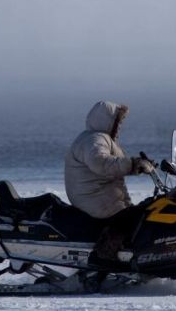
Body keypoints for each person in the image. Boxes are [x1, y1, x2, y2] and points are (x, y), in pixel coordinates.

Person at [64, 100, 154, 261]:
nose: (119, 126)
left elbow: (111, 163)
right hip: (95, 198)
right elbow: (101, 163)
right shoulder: (95, 140)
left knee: (137, 214)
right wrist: (133, 164)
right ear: (106, 121)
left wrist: (137, 166)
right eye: (117, 122)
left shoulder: (95, 138)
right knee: (131, 218)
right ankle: (102, 257)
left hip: (96, 195)